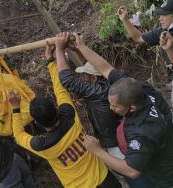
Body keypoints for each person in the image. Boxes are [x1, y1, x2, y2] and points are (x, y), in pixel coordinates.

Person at [68, 32, 173, 188]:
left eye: (115, 106)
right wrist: (82, 47)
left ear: (132, 108)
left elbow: (131, 171)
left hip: (163, 178)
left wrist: (97, 151)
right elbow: (105, 68)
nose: (111, 108)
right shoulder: (138, 88)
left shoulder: (143, 132)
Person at [8, 45, 121, 187]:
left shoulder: (41, 145)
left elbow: (18, 135)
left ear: (36, 123)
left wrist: (15, 108)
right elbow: (60, 88)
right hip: (105, 180)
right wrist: (50, 60)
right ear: (56, 108)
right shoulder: (69, 114)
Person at [48, 39, 123, 158]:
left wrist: (59, 49)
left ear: (93, 78)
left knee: (128, 169)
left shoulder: (99, 93)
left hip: (117, 144)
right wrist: (77, 50)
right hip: (119, 136)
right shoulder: (107, 82)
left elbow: (67, 80)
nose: (82, 78)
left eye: (84, 75)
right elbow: (94, 65)